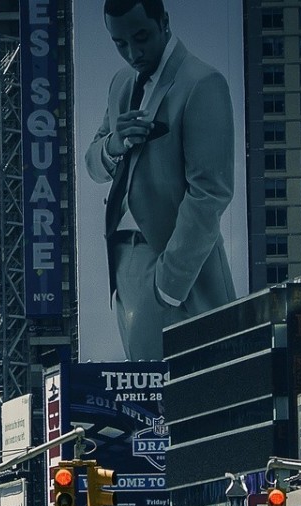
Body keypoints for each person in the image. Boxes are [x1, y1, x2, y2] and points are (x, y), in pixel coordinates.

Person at [85, 0, 236, 367]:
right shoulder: (121, 83)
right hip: (124, 264)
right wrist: (114, 144)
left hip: (172, 267)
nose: (133, 53)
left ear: (164, 23)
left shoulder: (202, 83)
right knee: (147, 400)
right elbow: (93, 163)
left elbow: (210, 192)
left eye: (141, 37)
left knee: (185, 399)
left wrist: (168, 286)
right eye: (120, 43)